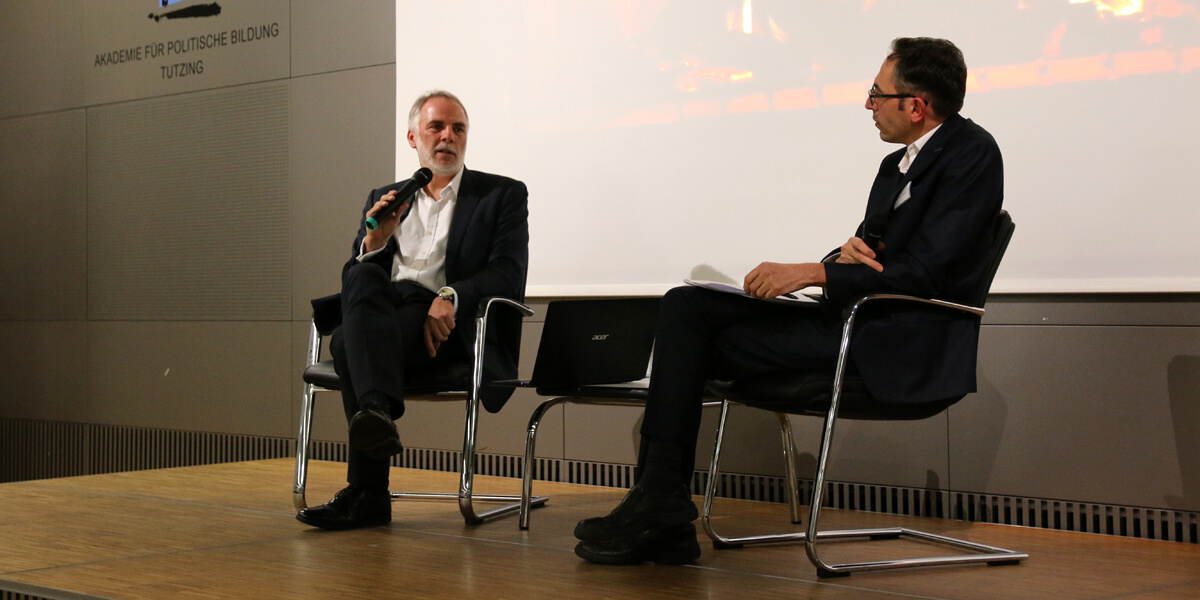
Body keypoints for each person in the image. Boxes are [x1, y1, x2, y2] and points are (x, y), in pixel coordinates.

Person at [573, 37, 1004, 565]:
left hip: (892, 339)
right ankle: (661, 502)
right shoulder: (895, 168)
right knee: (687, 307)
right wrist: (840, 257)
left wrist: (810, 271)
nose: (868, 104)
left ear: (915, 106)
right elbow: (869, 254)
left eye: (876, 92)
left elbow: (928, 273)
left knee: (693, 346)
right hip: (853, 318)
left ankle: (661, 510)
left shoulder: (972, 154)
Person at [297, 90, 529, 530]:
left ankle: (368, 492)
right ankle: (375, 412)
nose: (448, 137)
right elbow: (358, 276)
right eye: (436, 127)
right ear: (412, 138)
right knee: (362, 274)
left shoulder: (501, 195)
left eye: (458, 128)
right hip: (385, 310)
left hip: (440, 321)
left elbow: (507, 273)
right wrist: (375, 242)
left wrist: (452, 295)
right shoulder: (388, 196)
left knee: (348, 341)